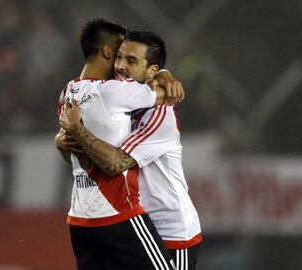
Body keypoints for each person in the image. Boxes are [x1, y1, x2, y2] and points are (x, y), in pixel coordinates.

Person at [58, 31, 202, 270]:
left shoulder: (159, 113)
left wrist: (76, 130)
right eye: (119, 57)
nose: (120, 66)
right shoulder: (117, 101)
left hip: (171, 232)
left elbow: (115, 164)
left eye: (131, 61)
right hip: (132, 223)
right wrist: (63, 143)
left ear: (151, 71)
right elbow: (84, 159)